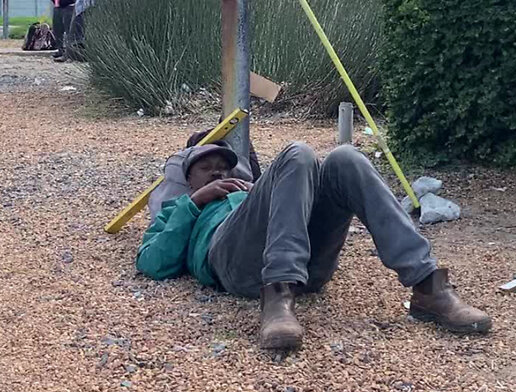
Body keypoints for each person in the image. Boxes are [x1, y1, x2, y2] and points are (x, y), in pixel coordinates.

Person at [136, 141, 492, 350]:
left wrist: (260, 195)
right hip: (235, 264)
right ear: (187, 180)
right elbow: (152, 262)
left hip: (307, 269)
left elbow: (292, 207)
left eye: (224, 169)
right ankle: (276, 298)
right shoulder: (179, 208)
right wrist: (196, 202)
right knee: (297, 151)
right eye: (206, 169)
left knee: (344, 158)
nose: (218, 174)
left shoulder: (254, 193)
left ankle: (428, 284)